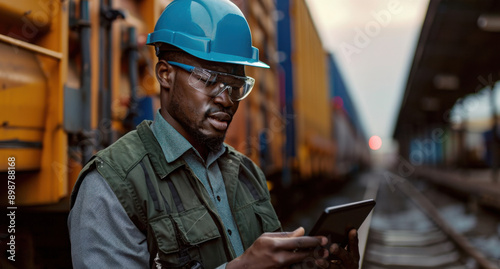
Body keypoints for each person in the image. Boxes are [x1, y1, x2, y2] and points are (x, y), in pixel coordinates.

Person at [68, 0, 360, 268]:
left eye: (235, 84)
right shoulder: (111, 186)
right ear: (165, 74)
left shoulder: (248, 173)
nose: (226, 99)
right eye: (209, 79)